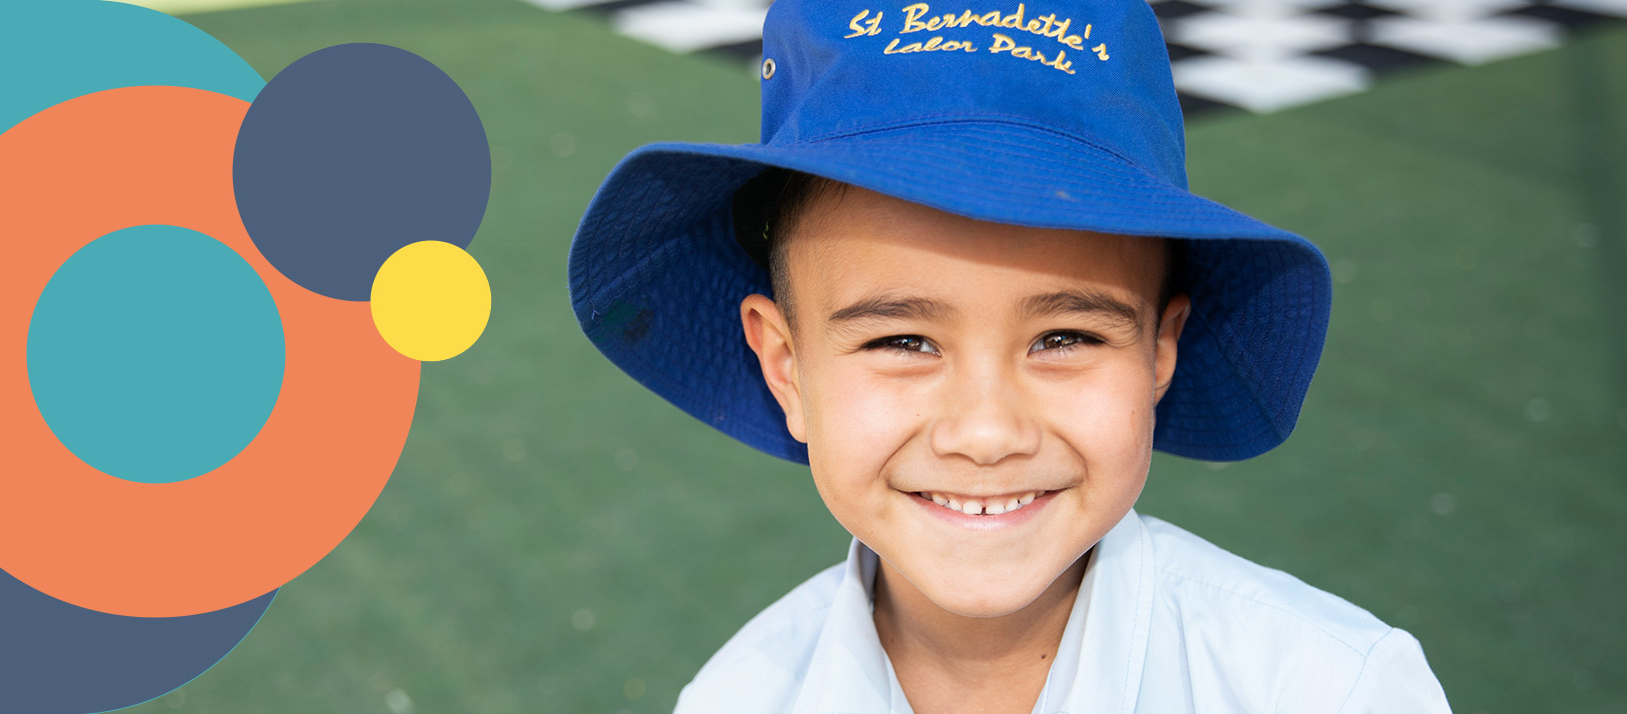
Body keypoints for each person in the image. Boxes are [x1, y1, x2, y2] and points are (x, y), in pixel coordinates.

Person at [565, 1, 1452, 711]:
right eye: (902, 340)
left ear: (1159, 351)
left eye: (1065, 338)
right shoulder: (737, 698)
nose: (986, 434)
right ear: (787, 367)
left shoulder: (1329, 689)